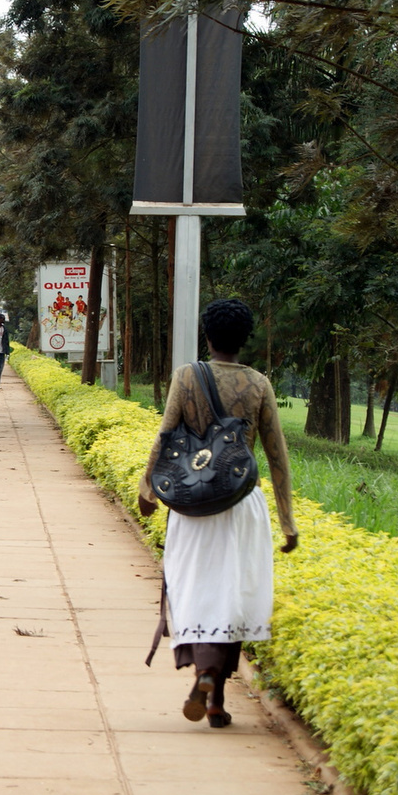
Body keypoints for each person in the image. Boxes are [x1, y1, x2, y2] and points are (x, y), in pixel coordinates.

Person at [138, 298, 298, 729]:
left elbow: (166, 433)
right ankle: (215, 697)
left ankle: (204, 673)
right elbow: (276, 454)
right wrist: (288, 521)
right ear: (245, 338)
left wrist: (147, 489)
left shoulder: (187, 376)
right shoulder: (259, 384)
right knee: (233, 593)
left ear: (206, 335)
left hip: (193, 502)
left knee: (195, 590)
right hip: (243, 502)